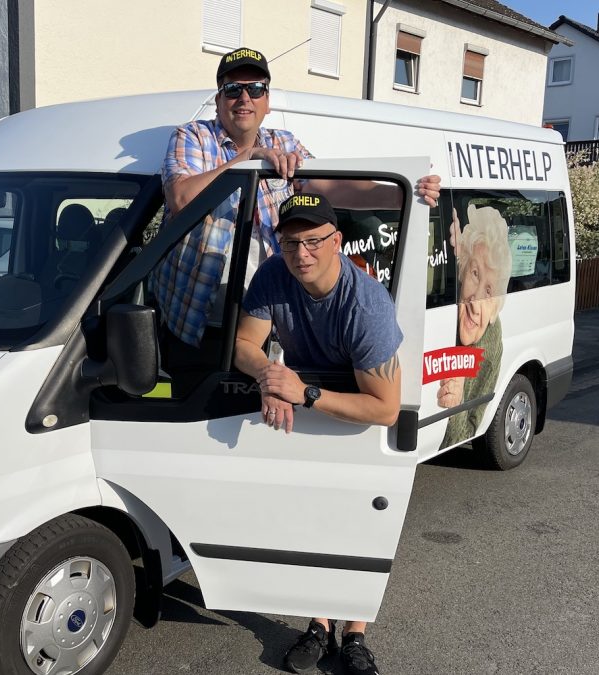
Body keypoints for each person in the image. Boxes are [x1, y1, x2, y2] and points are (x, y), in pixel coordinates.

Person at [154, 46, 440, 350]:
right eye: (233, 89)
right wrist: (248, 160)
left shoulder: (284, 142)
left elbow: (329, 188)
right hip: (200, 323)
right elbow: (181, 199)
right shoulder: (193, 136)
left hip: (268, 322)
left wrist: (404, 193)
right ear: (219, 100)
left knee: (264, 397)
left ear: (268, 101)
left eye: (255, 89)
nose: (244, 98)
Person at [234, 193, 402, 675]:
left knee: (360, 526)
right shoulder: (273, 273)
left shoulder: (366, 303)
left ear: (337, 242)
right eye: (290, 242)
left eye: (313, 241)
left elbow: (385, 408)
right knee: (310, 519)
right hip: (303, 401)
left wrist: (302, 392)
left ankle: (354, 634)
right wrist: (269, 376)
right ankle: (319, 624)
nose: (301, 254)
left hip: (357, 412)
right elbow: (245, 343)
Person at [438, 204, 512, 448]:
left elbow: (466, 433)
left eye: (489, 292)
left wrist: (457, 404)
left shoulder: (490, 341)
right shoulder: (441, 309)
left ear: (495, 310)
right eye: (475, 274)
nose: (476, 303)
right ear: (461, 273)